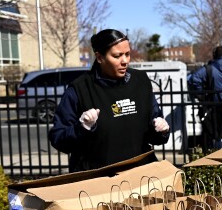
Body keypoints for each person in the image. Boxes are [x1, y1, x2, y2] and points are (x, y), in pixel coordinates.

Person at [48, 29, 170, 172]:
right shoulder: (80, 89)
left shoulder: (141, 82)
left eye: (127, 54)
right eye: (117, 56)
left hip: (139, 176)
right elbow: (58, 138)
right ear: (100, 58)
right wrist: (81, 128)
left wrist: (161, 130)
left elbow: (153, 131)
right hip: (97, 180)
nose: (125, 61)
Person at [188, 46, 222, 150]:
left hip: (215, 104)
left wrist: (201, 94)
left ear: (215, 55)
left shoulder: (210, 68)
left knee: (217, 133)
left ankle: (218, 155)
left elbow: (194, 78)